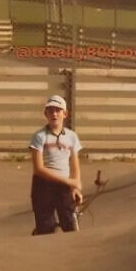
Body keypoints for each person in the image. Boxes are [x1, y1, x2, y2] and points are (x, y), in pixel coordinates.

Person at [28, 95, 82, 234]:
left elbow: (74, 163)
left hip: (64, 187)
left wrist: (75, 187)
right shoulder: (40, 136)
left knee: (69, 223)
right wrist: (68, 181)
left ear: (65, 114)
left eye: (58, 110)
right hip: (43, 186)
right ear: (45, 114)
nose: (54, 114)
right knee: (45, 226)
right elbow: (39, 168)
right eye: (50, 111)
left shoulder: (71, 137)